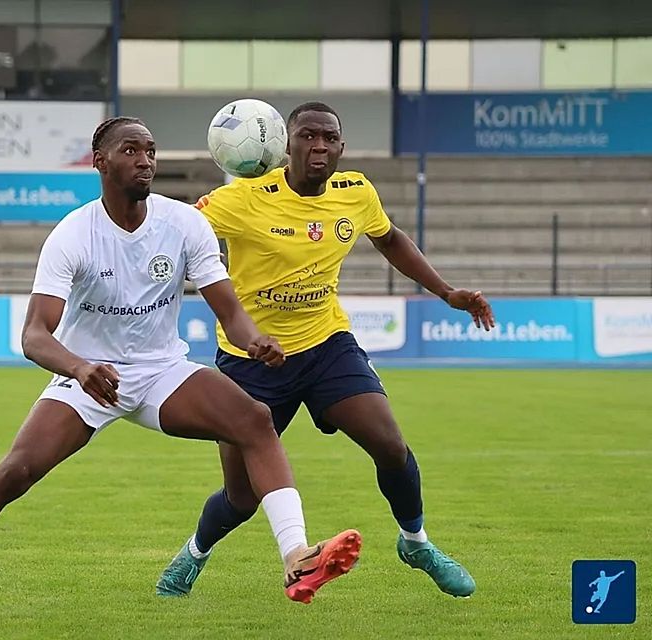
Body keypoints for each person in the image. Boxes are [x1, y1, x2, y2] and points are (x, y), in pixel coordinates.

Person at [0, 116, 362, 633]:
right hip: (88, 375)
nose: (145, 160)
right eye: (131, 150)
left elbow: (230, 311)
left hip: (161, 370)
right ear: (100, 162)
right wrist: (80, 367)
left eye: (151, 150)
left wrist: (254, 340)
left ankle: (297, 557)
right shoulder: (73, 234)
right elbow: (35, 336)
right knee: (14, 474)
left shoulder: (184, 223)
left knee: (255, 420)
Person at [155, 102, 495, 599]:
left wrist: (447, 293)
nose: (319, 146)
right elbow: (174, 230)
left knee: (390, 445)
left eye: (328, 138)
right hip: (251, 360)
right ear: (284, 145)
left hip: (326, 346)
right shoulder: (242, 199)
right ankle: (193, 555)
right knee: (242, 498)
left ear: (341, 146)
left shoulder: (355, 192)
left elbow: (390, 238)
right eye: (308, 136)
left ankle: (416, 542)